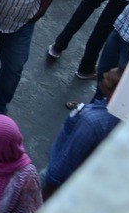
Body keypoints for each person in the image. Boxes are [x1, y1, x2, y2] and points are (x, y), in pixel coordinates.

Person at [42, 68, 123, 197]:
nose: (104, 74)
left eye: (109, 79)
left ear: (117, 91)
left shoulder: (91, 121)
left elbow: (67, 159)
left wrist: (49, 186)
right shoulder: (113, 111)